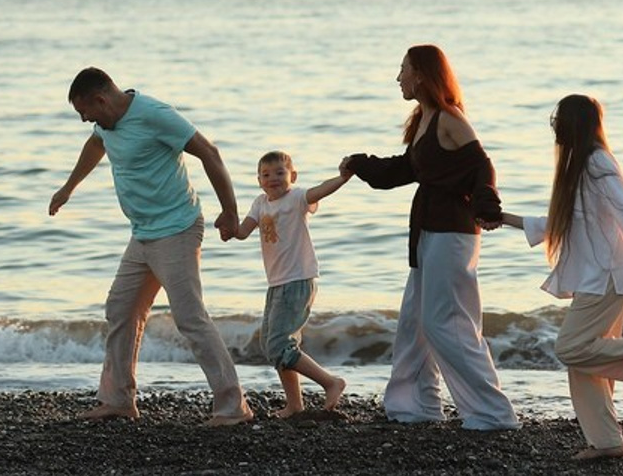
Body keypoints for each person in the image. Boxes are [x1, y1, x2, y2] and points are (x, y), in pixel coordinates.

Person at [48, 67, 253, 426]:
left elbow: (210, 153)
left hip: (177, 230)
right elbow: (96, 144)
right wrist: (68, 188)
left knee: (190, 318)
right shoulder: (107, 125)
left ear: (101, 99)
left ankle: (233, 406)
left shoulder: (155, 115)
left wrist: (230, 210)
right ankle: (118, 400)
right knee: (121, 309)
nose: (85, 120)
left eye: (86, 112)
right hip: (142, 234)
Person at [500, 94, 623, 460]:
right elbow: (560, 223)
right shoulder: (580, 166)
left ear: (574, 122)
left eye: (559, 117)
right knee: (586, 364)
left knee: (571, 347)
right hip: (599, 277)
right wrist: (504, 219)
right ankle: (607, 442)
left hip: (606, 277)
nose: (554, 123)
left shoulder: (596, 163)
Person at [342, 45, 519, 431]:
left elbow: (482, 166)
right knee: (415, 321)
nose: (398, 77)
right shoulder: (423, 119)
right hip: (428, 230)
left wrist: (488, 207)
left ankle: (493, 413)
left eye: (402, 69)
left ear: (421, 74)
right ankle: (415, 406)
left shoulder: (449, 118)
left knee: (447, 323)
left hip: (453, 232)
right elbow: (405, 169)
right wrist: (361, 164)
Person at [233, 151, 352, 418]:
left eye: (279, 173)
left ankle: (331, 382)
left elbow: (319, 191)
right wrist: (226, 226)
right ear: (259, 180)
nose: (273, 178)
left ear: (292, 176)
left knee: (279, 344)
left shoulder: (296, 198)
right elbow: (241, 232)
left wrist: (343, 178)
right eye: (266, 174)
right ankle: (295, 404)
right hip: (277, 282)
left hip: (298, 279)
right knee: (272, 344)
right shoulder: (260, 204)